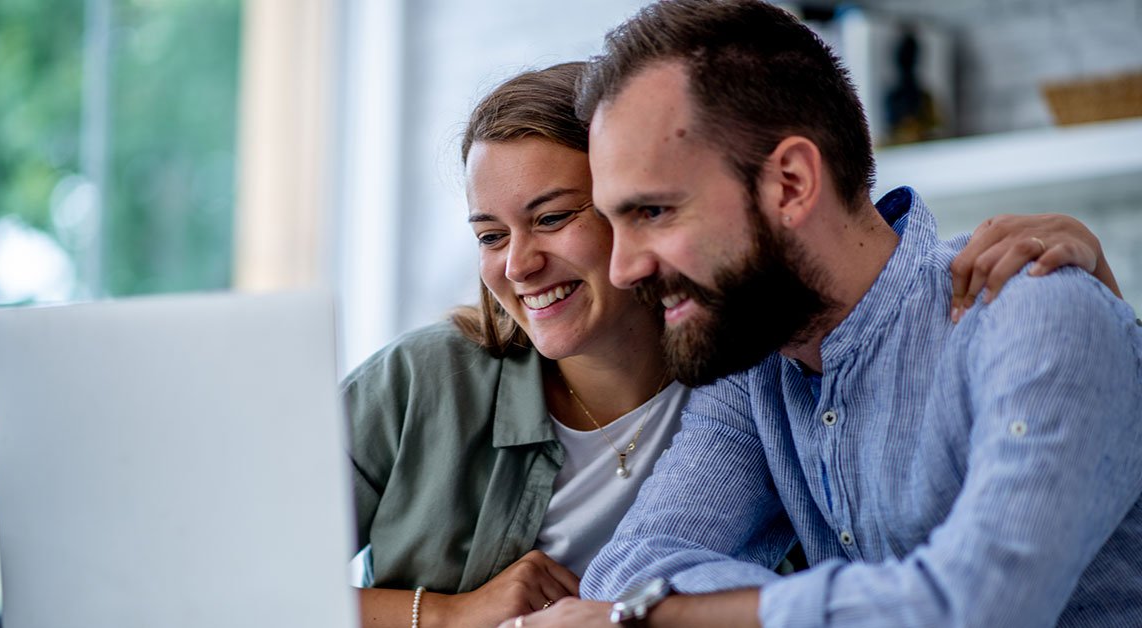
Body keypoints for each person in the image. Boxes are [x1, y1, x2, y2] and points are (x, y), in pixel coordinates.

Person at [345, 60, 1122, 628]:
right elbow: (638, 566)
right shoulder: (425, 381)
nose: (517, 263)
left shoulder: (745, 361)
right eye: (489, 235)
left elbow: (975, 598)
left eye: (556, 217)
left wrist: (646, 616)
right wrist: (444, 616)